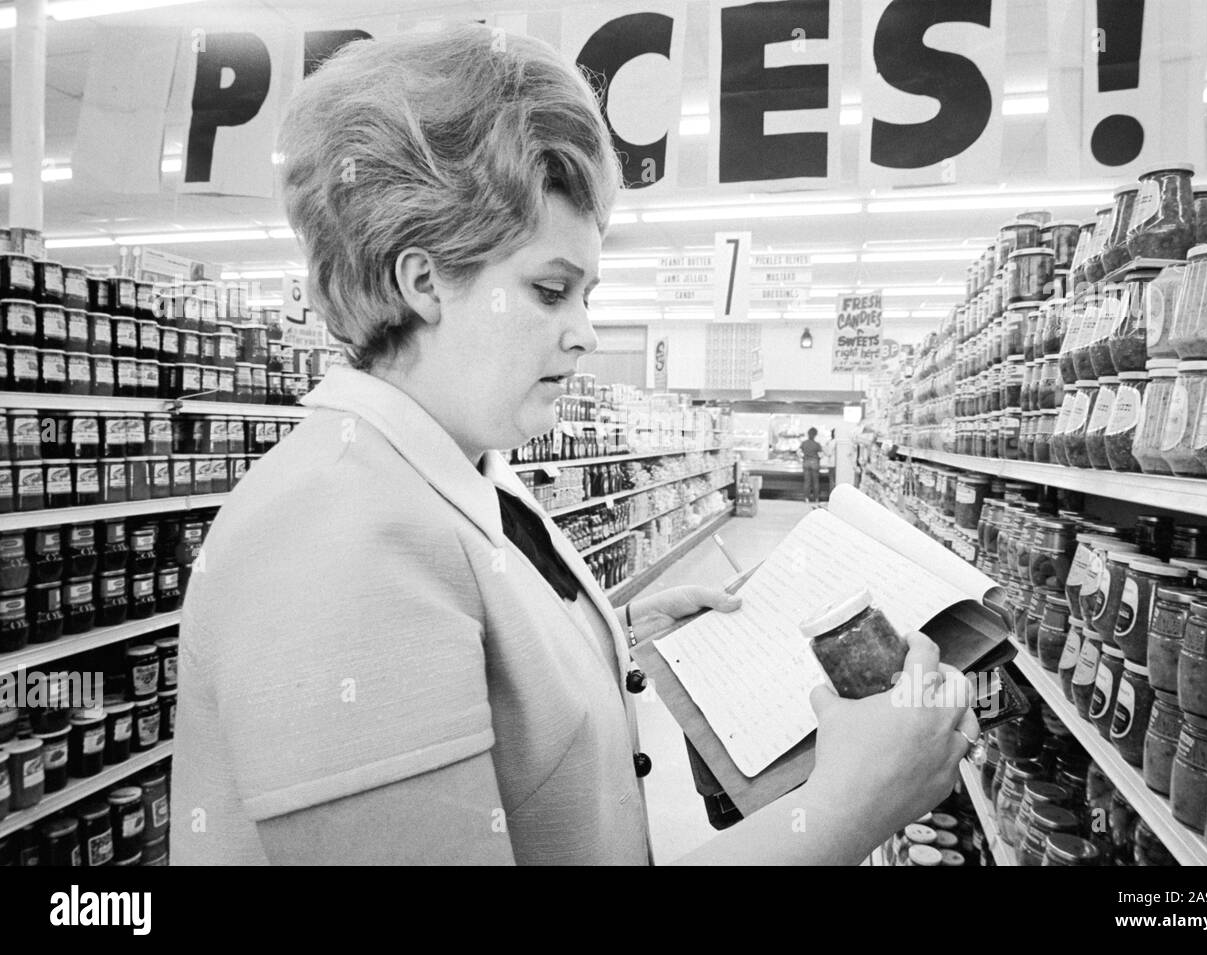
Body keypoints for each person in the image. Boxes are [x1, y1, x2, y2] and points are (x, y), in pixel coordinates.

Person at [169, 25, 975, 866]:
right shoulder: (333, 542)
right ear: (423, 281)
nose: (586, 333)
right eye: (551, 291)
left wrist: (600, 644)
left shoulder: (465, 470)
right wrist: (848, 805)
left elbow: (476, 667)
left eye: (588, 293)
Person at [800, 427, 824, 504]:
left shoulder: (804, 443)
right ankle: (816, 498)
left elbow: (798, 452)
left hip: (806, 462)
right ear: (815, 435)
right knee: (816, 482)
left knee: (807, 482)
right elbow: (821, 455)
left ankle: (806, 498)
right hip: (815, 463)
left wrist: (803, 457)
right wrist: (818, 458)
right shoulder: (817, 444)